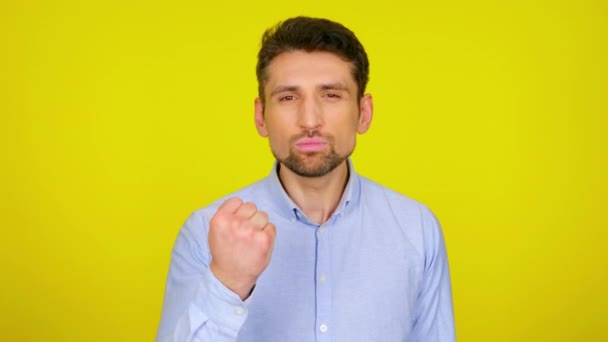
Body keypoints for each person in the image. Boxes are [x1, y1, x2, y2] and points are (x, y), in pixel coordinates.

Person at [156, 16, 455, 342]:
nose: (309, 120)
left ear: (364, 113)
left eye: (331, 95)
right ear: (261, 117)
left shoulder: (417, 228)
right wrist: (227, 283)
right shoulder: (206, 231)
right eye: (288, 97)